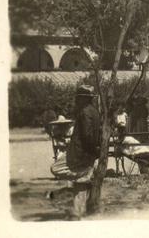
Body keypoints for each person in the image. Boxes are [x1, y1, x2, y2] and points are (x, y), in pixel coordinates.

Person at [49, 85, 100, 219]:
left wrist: (90, 151)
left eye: (78, 99)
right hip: (87, 153)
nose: (76, 101)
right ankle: (79, 213)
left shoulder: (84, 112)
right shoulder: (94, 111)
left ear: (83, 99)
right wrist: (94, 152)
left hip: (80, 153)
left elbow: (87, 135)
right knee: (80, 185)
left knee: (55, 168)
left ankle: (83, 176)